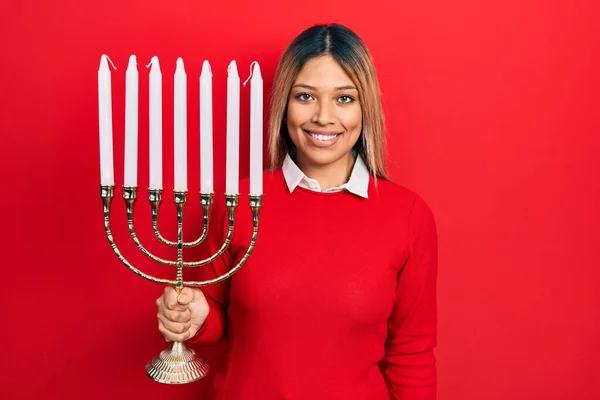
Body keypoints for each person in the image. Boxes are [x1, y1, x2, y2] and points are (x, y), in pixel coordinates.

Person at [156, 23, 438, 399]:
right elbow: (217, 315)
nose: (323, 116)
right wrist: (195, 317)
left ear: (365, 107)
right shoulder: (238, 202)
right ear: (284, 104)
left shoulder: (409, 216)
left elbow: (412, 353)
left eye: (344, 98)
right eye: (305, 96)